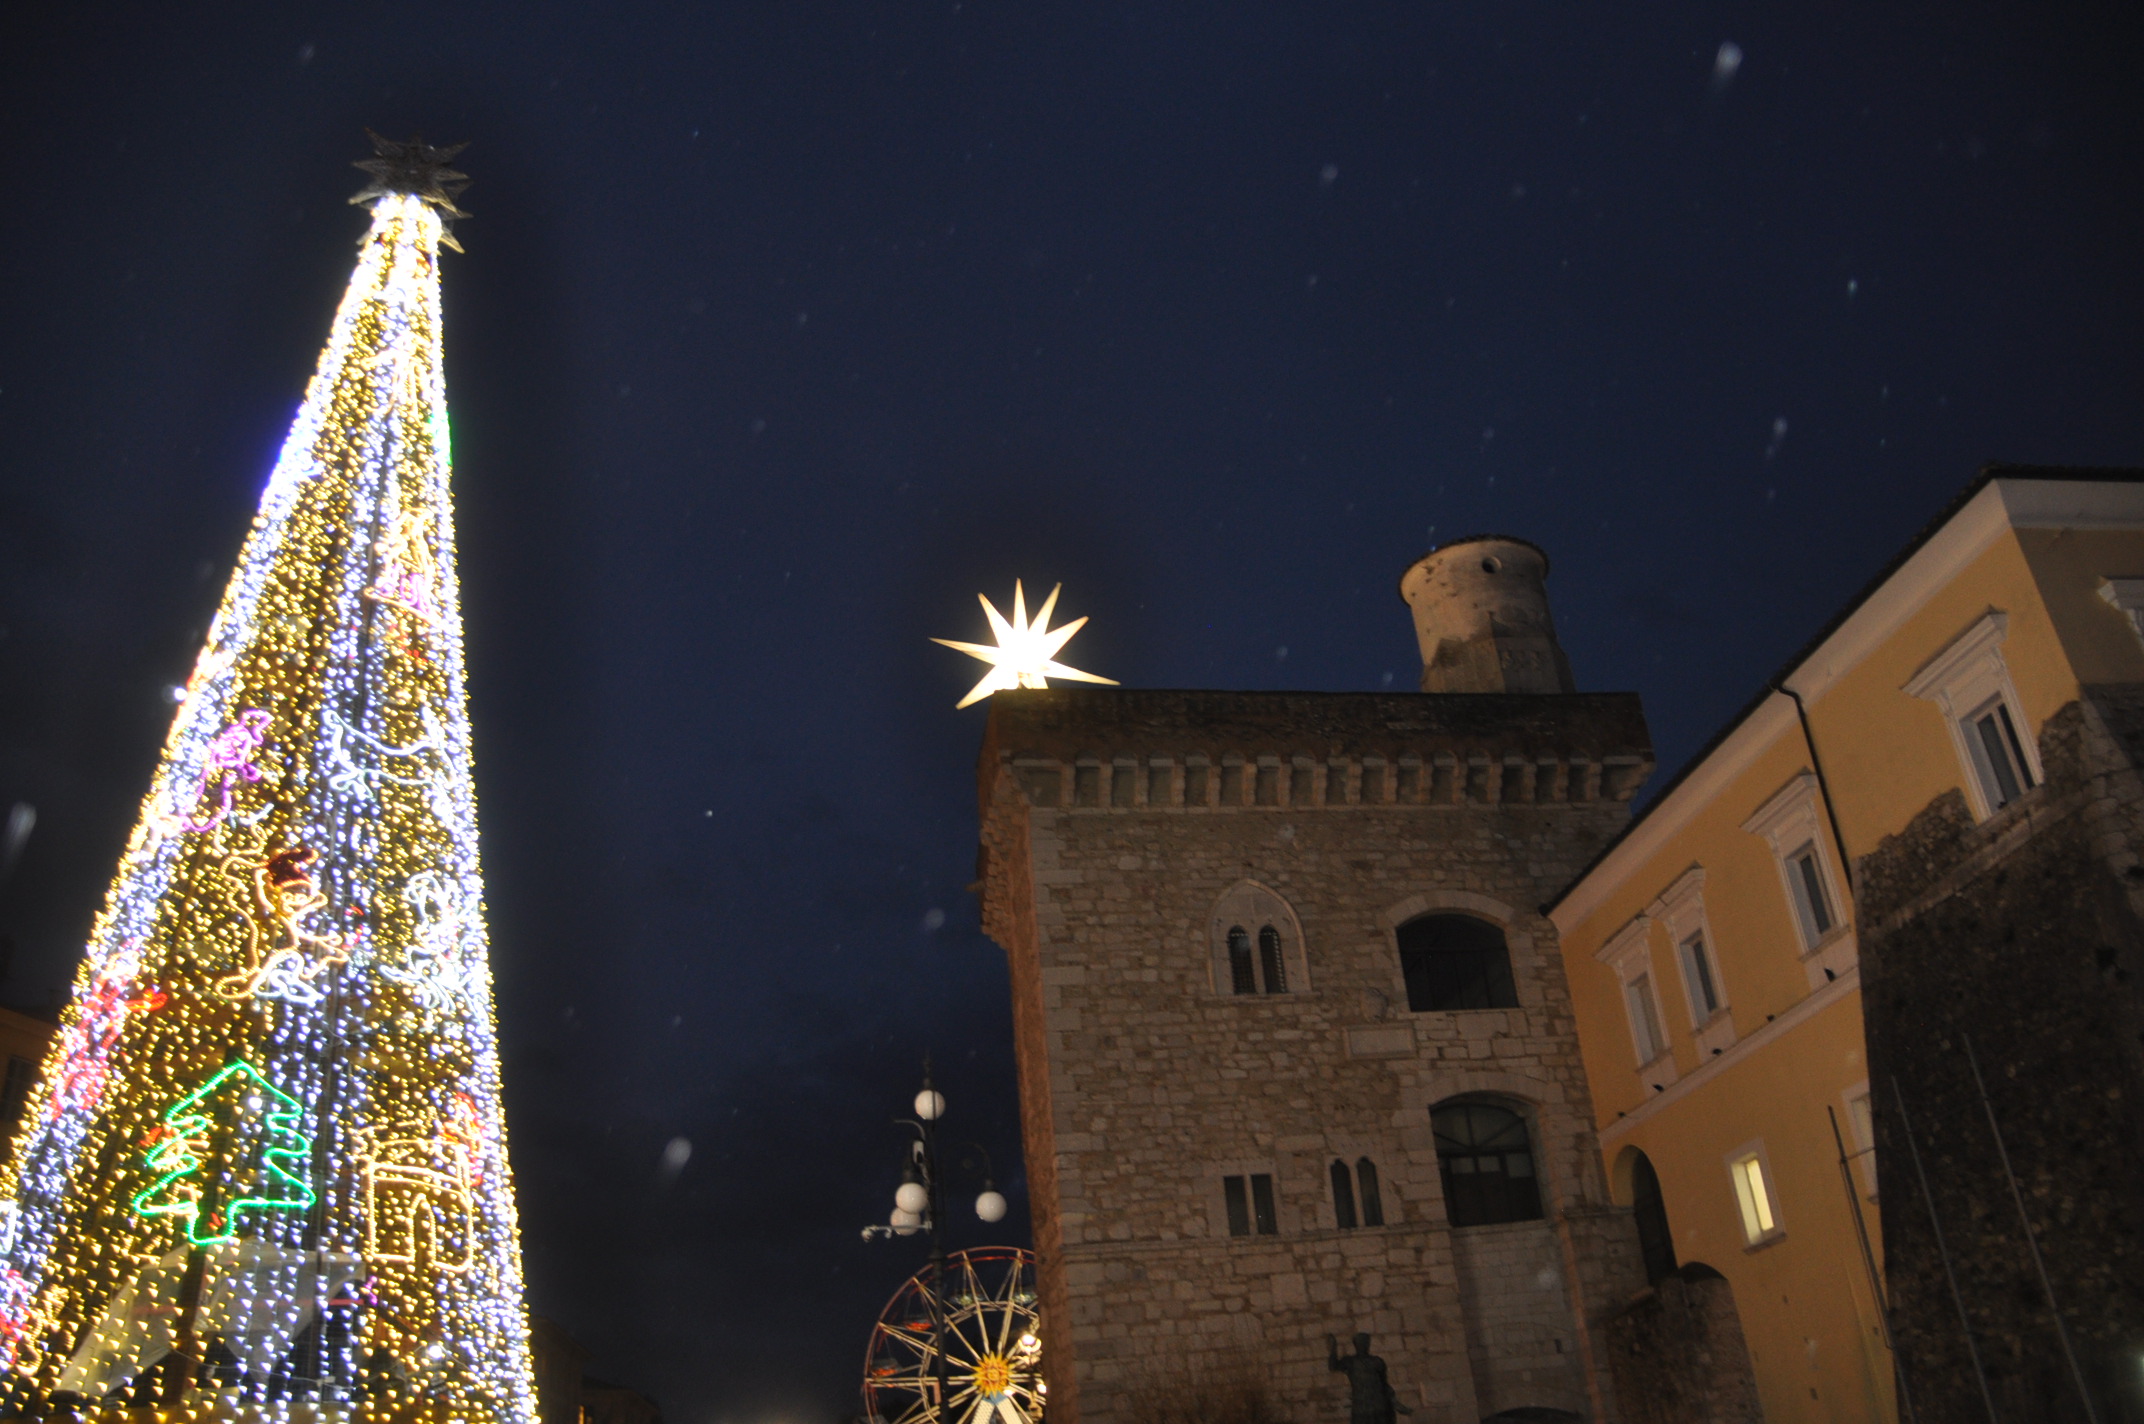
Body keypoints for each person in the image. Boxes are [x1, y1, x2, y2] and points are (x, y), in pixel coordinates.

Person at [1327, 1333, 1412, 1424]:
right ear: (1356, 1345)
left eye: (1365, 1342)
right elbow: (1333, 1366)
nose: (1363, 1345)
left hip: (1379, 1406)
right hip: (1361, 1407)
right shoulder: (1350, 1361)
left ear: (1368, 1344)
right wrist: (1333, 1348)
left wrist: (1395, 1403)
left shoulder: (1377, 1361)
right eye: (1360, 1343)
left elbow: (1384, 1385)